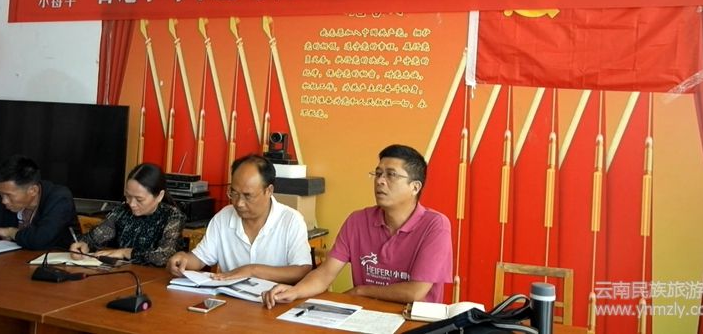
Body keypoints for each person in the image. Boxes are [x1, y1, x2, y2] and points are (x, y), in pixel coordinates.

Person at [262, 144, 452, 307]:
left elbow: (415, 292)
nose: (380, 181)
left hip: (415, 322)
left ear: (415, 187)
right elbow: (325, 274)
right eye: (378, 173)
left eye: (391, 175)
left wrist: (361, 291)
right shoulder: (358, 221)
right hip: (364, 318)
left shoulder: (435, 225)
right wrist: (295, 291)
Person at [167, 154, 311, 284]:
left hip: (273, 300)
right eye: (234, 193)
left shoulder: (291, 221)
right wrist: (183, 259)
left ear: (269, 191)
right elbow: (200, 259)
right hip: (230, 300)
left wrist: (252, 270)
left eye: (248, 196)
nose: (239, 203)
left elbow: (301, 270)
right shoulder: (223, 218)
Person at [70, 163, 185, 267]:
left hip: (153, 278)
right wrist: (84, 245)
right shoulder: (122, 210)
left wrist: (125, 252)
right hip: (121, 274)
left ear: (160, 196)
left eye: (139, 199)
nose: (132, 204)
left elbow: (164, 257)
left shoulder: (172, 216)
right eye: (128, 196)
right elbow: (95, 237)